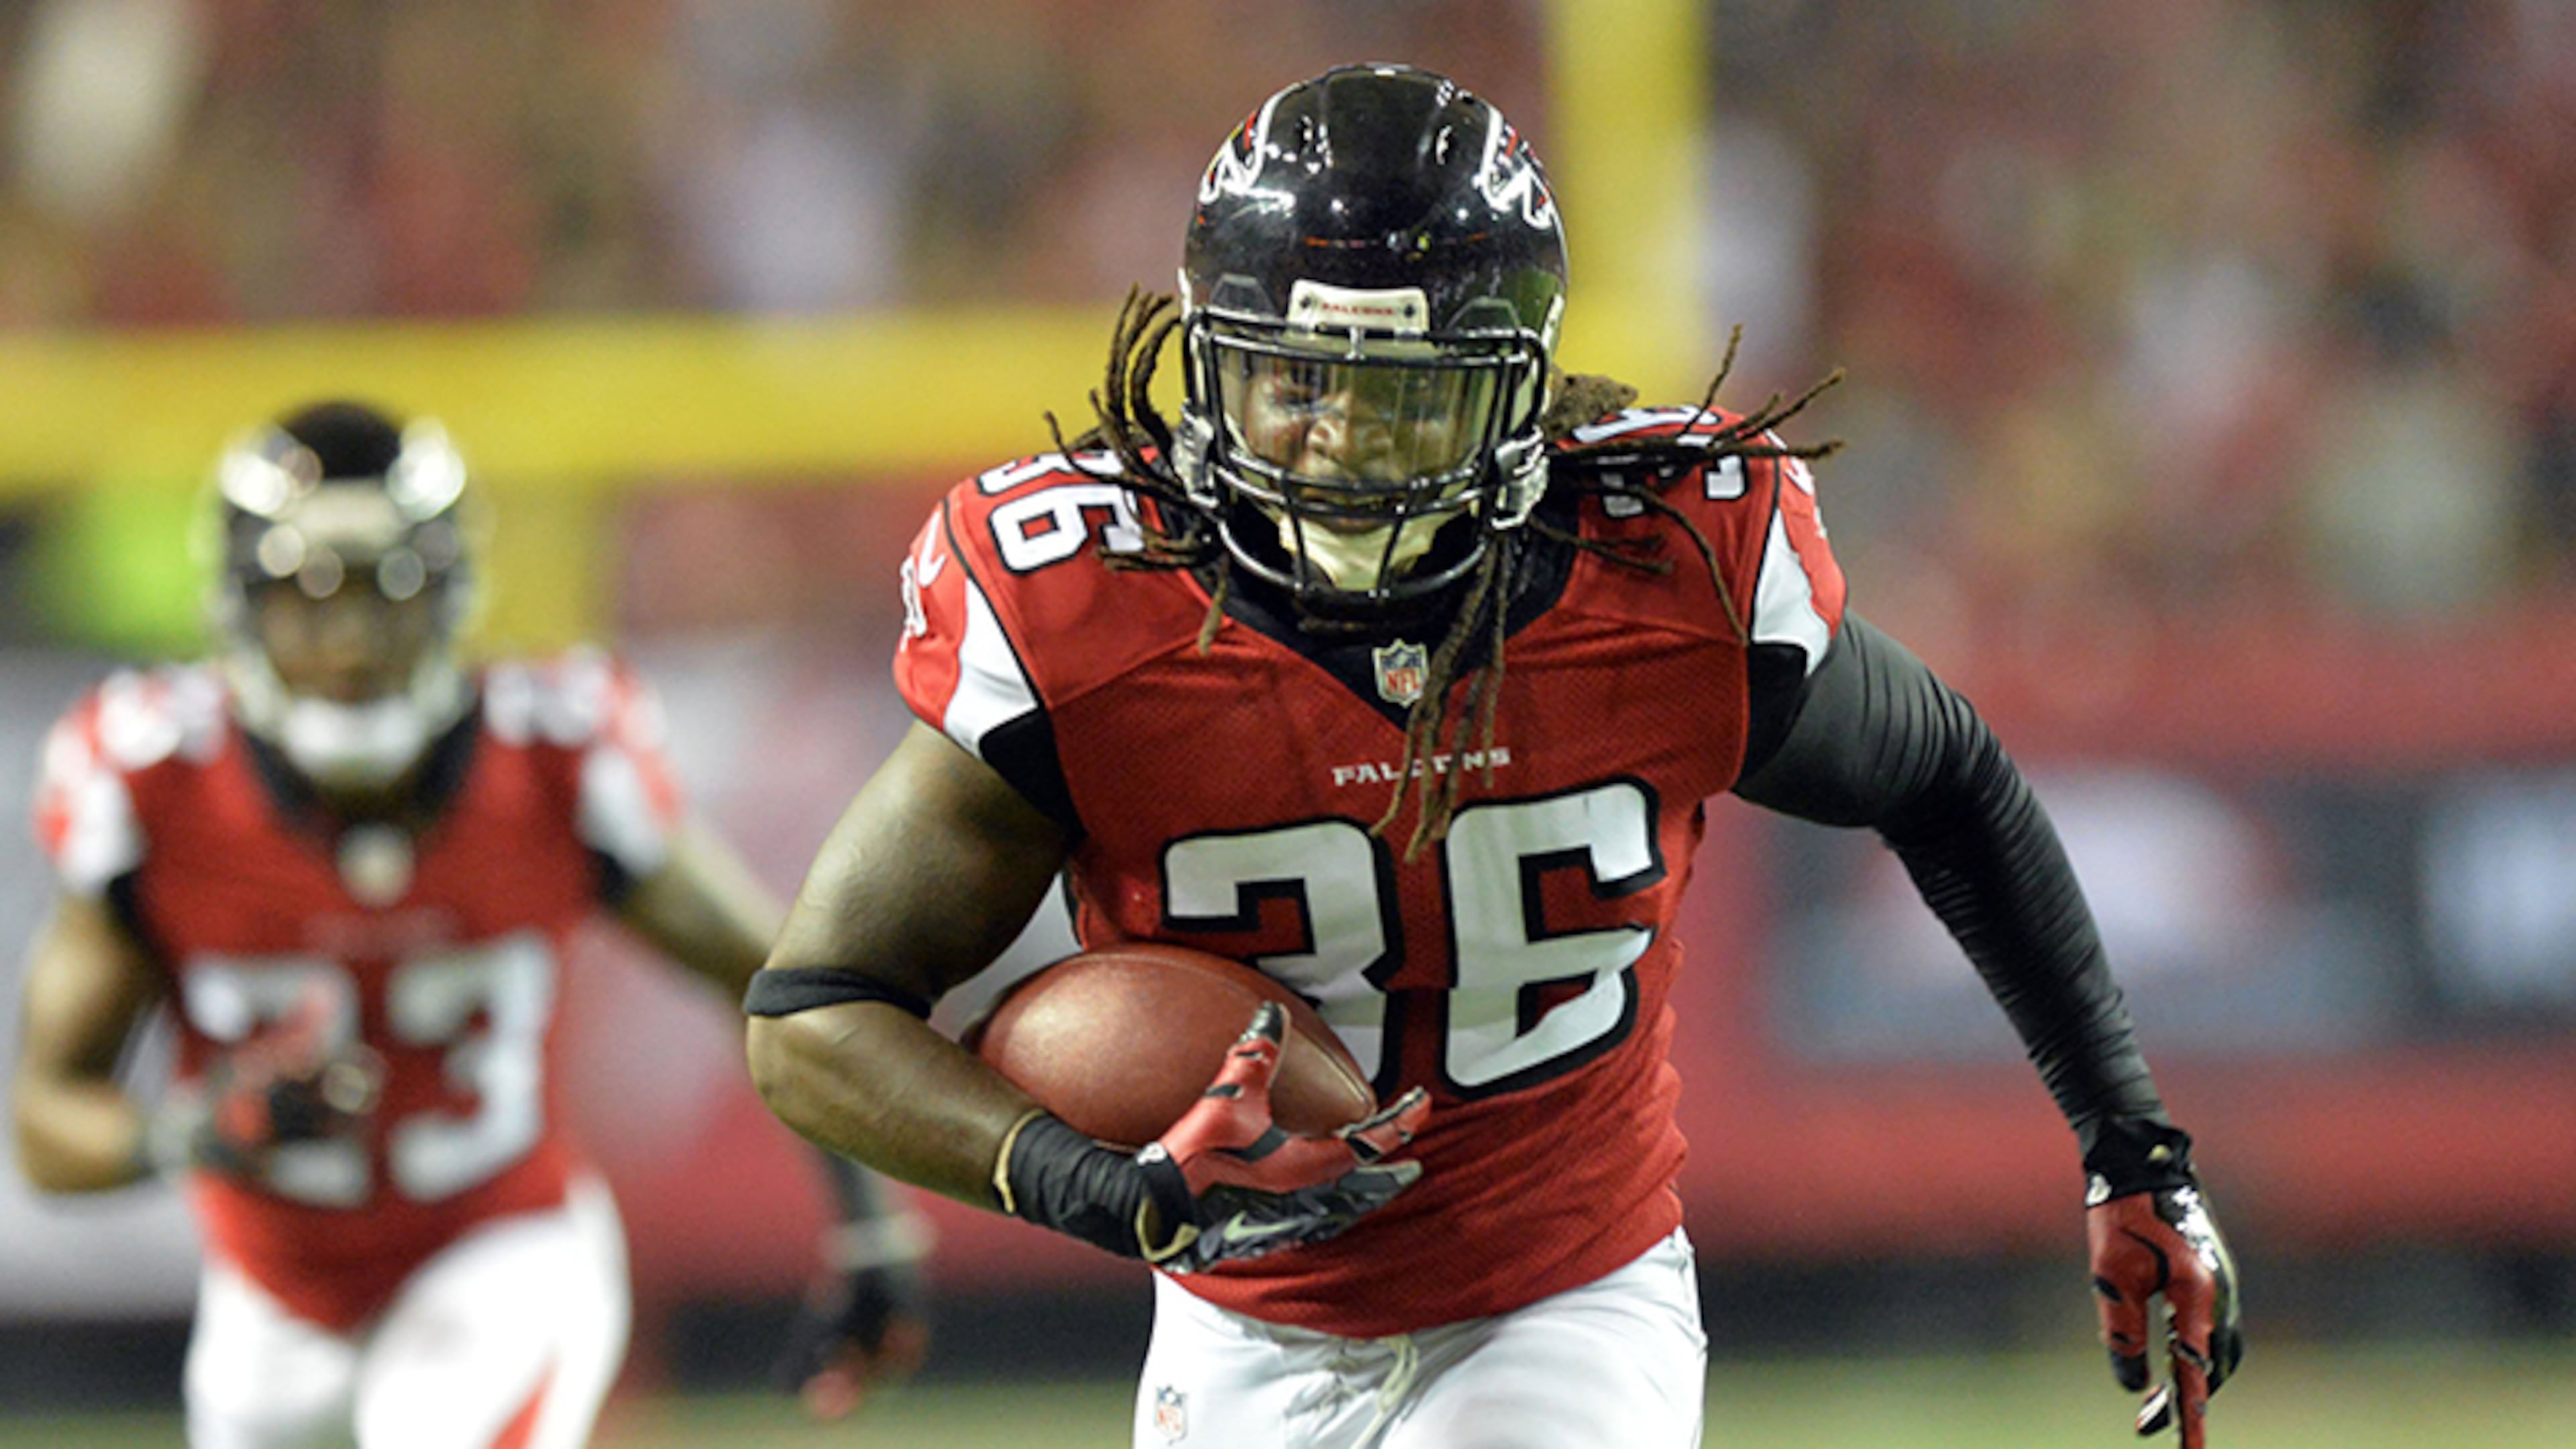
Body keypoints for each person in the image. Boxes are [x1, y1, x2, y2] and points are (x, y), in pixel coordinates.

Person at [745, 63, 2245, 1449]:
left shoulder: (1669, 575)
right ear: (1210, 366)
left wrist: (2132, 1142)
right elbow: (816, 1015)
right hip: (1236, 1331)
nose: (1340, 448)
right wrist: (1084, 1182)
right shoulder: (1087, 615)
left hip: (1564, 1297)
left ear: (1521, 393)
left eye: (1409, 400)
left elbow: (1946, 779)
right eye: (1299, 381)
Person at [11, 400, 928, 1448]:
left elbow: (782, 985)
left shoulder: (551, 756)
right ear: (242, 606)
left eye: (387, 591)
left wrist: (871, 1230)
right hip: (269, 1300)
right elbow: (47, 1124)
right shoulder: (151, 784)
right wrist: (192, 1133)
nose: (351, 640)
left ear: (448, 594)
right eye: (311, 597)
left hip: (501, 1252)